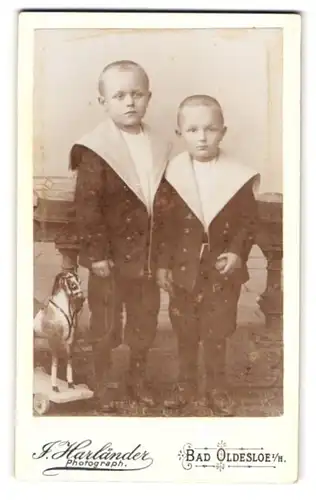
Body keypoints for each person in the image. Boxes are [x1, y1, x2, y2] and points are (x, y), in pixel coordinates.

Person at [70, 60, 172, 410]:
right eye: (119, 95)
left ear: (148, 98)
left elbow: (165, 201)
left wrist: (163, 256)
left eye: (137, 94)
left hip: (145, 255)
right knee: (106, 322)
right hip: (110, 259)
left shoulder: (159, 144)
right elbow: (87, 206)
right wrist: (96, 254)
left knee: (144, 319)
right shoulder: (95, 148)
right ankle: (103, 381)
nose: (130, 102)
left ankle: (137, 378)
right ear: (103, 103)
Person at [155, 95, 260, 416]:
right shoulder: (170, 176)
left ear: (223, 132)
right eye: (193, 130)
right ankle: (185, 384)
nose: (202, 137)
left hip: (220, 268)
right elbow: (161, 226)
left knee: (217, 329)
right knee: (185, 329)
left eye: (210, 129)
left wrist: (236, 252)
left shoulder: (237, 176)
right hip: (183, 267)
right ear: (179, 134)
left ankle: (217, 387)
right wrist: (161, 266)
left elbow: (247, 222)